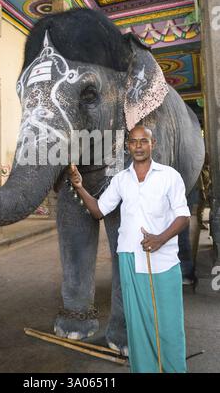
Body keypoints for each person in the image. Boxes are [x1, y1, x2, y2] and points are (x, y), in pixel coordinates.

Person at [69, 125, 190, 373]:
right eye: (133, 142)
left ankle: (174, 369)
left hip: (163, 261)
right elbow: (99, 210)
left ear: (152, 143)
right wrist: (80, 186)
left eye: (143, 141)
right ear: (128, 146)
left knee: (168, 325)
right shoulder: (121, 180)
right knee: (137, 325)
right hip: (129, 259)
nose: (138, 146)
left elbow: (183, 217)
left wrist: (160, 238)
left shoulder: (169, 176)